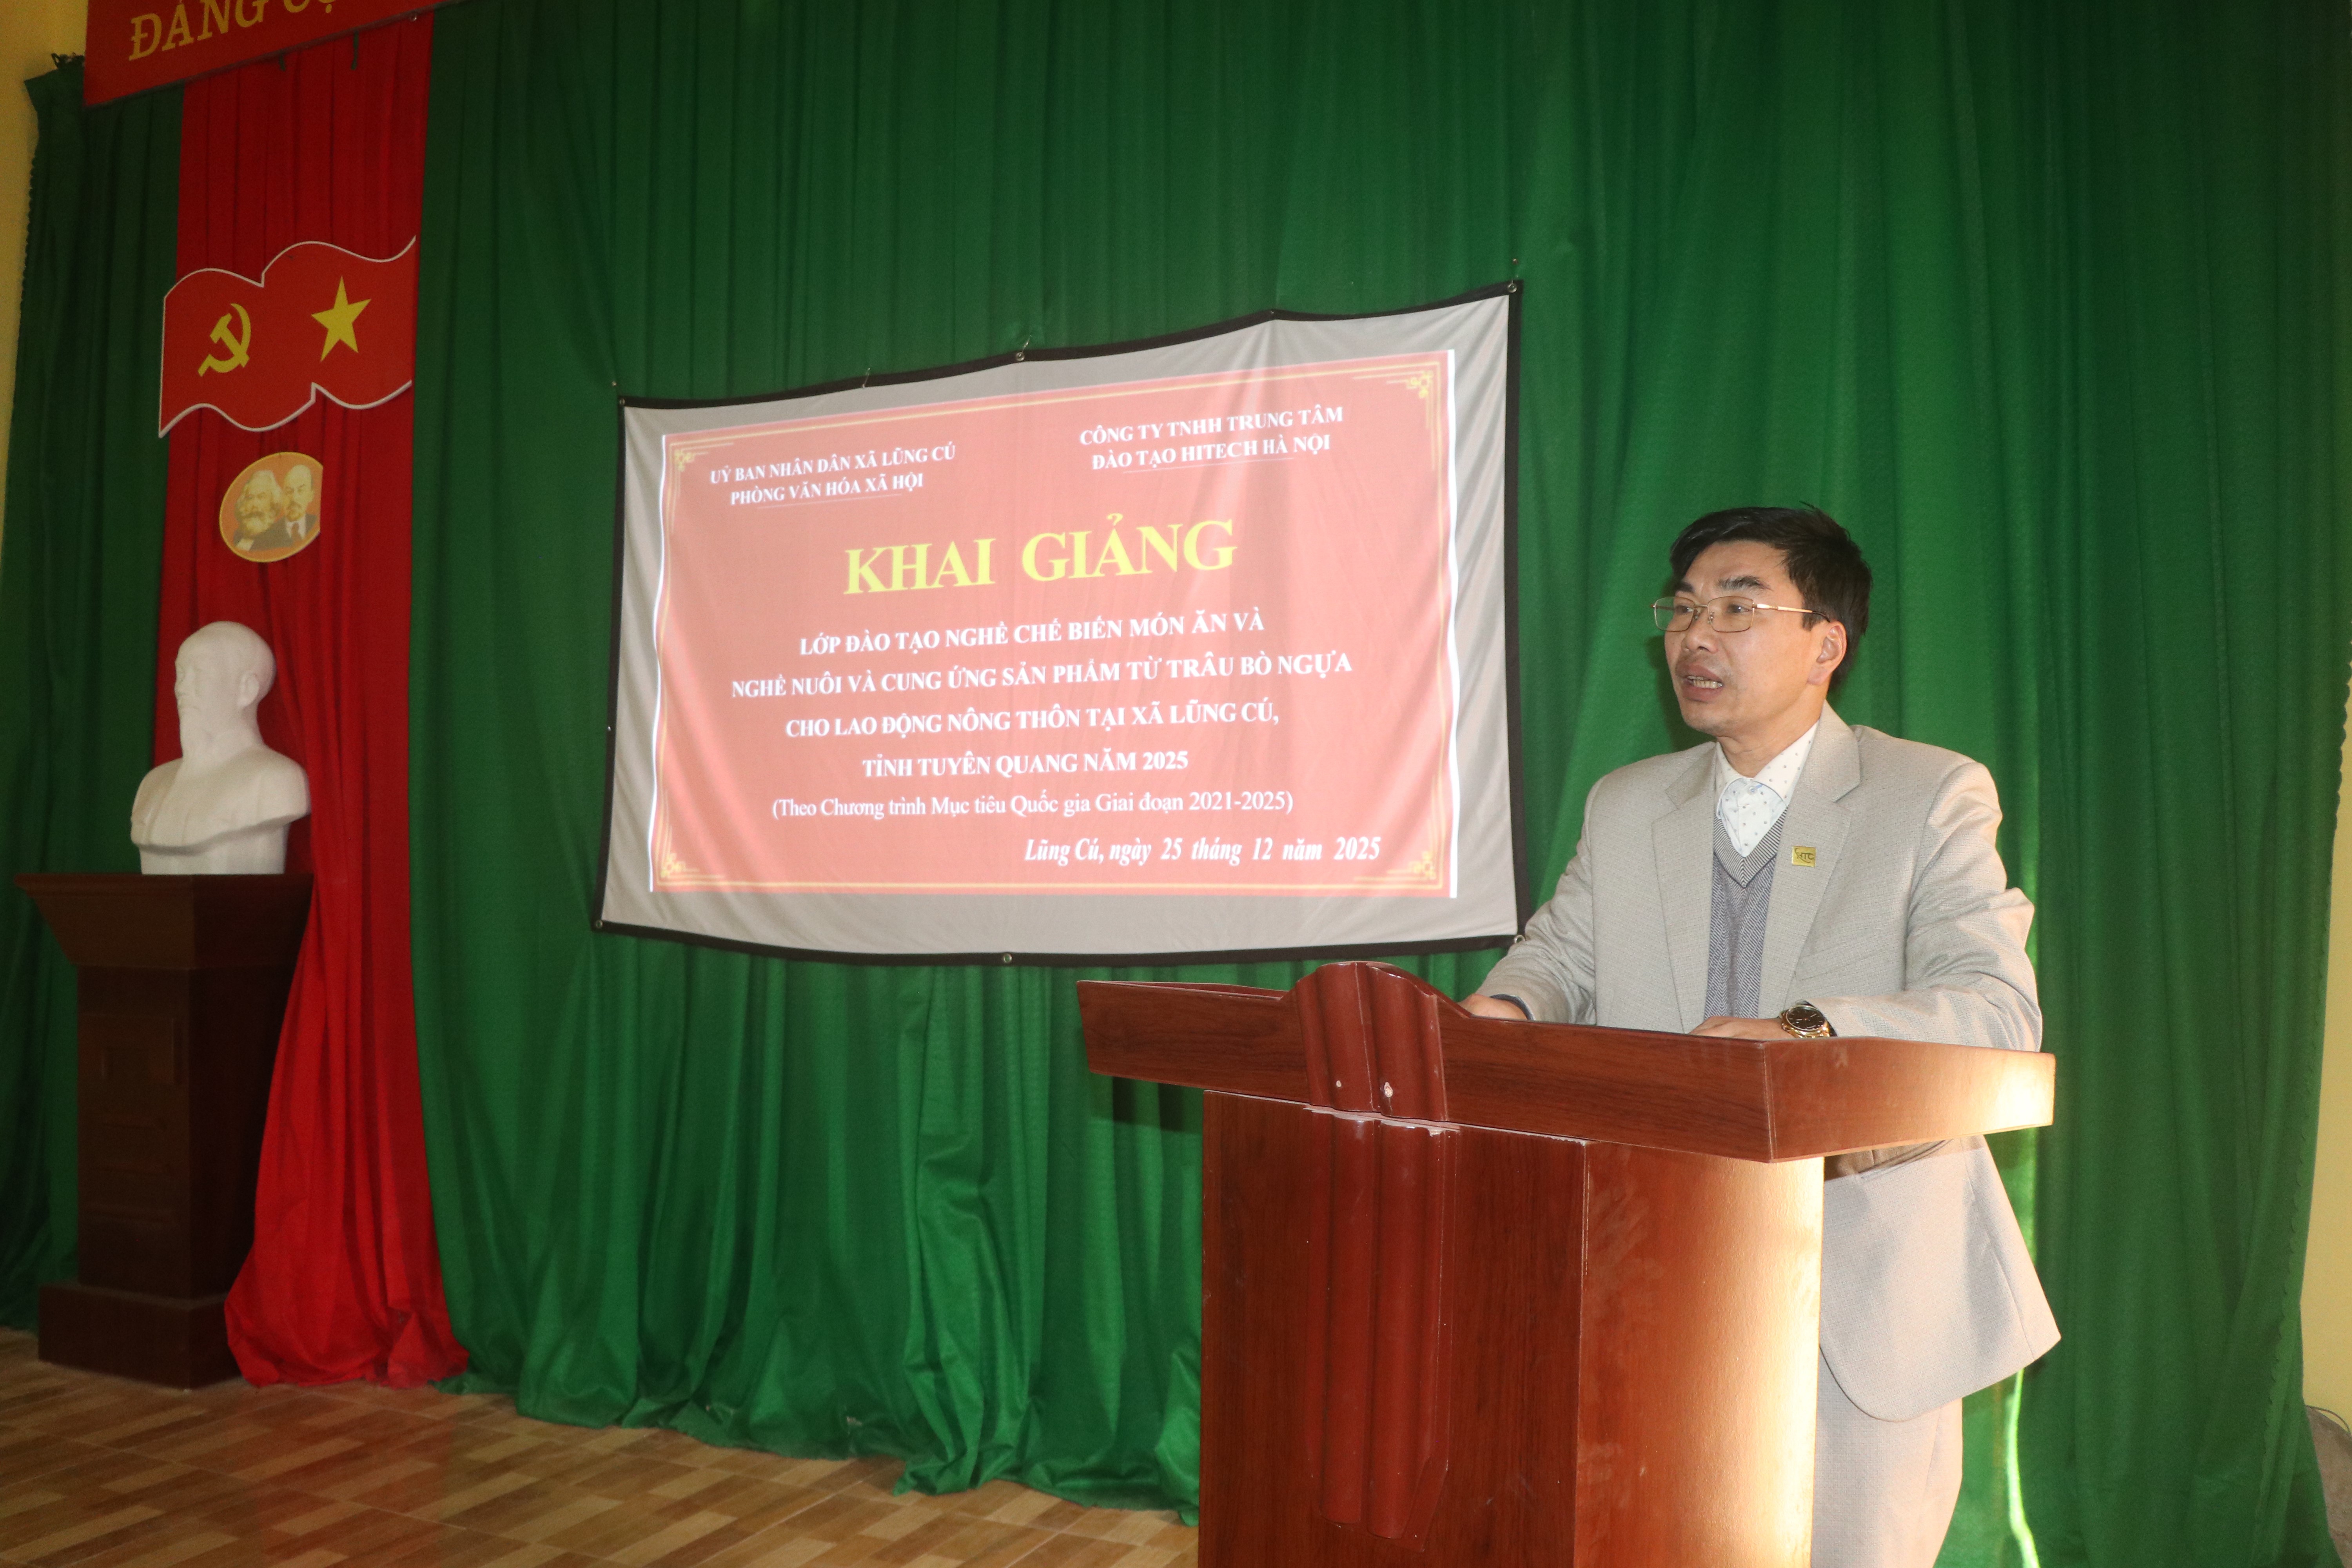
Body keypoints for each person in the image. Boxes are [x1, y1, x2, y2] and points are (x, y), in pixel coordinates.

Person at [1466, 506, 2057, 1568]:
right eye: (1683, 608)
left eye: (1738, 608)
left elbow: (1994, 1010)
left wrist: (1804, 1032)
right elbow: (1560, 954)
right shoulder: (1626, 803)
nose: (1695, 635)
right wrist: (1501, 1016)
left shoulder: (1929, 793)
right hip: (1657, 1264)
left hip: (1862, 1277)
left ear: (1826, 643)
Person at [131, 621, 309, 874]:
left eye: (200, 673)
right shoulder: (153, 784)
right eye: (181, 674)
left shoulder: (276, 779)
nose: (182, 688)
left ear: (247, 689)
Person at [231, 468, 293, 556]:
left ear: (273, 502)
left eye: (261, 497)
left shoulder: (281, 539)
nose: (255, 505)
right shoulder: (237, 536)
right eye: (250, 497)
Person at [280, 461, 318, 546]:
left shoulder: (318, 524)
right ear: (282, 496)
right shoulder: (268, 535)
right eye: (289, 492)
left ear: (311, 496)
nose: (294, 498)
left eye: (301, 491)